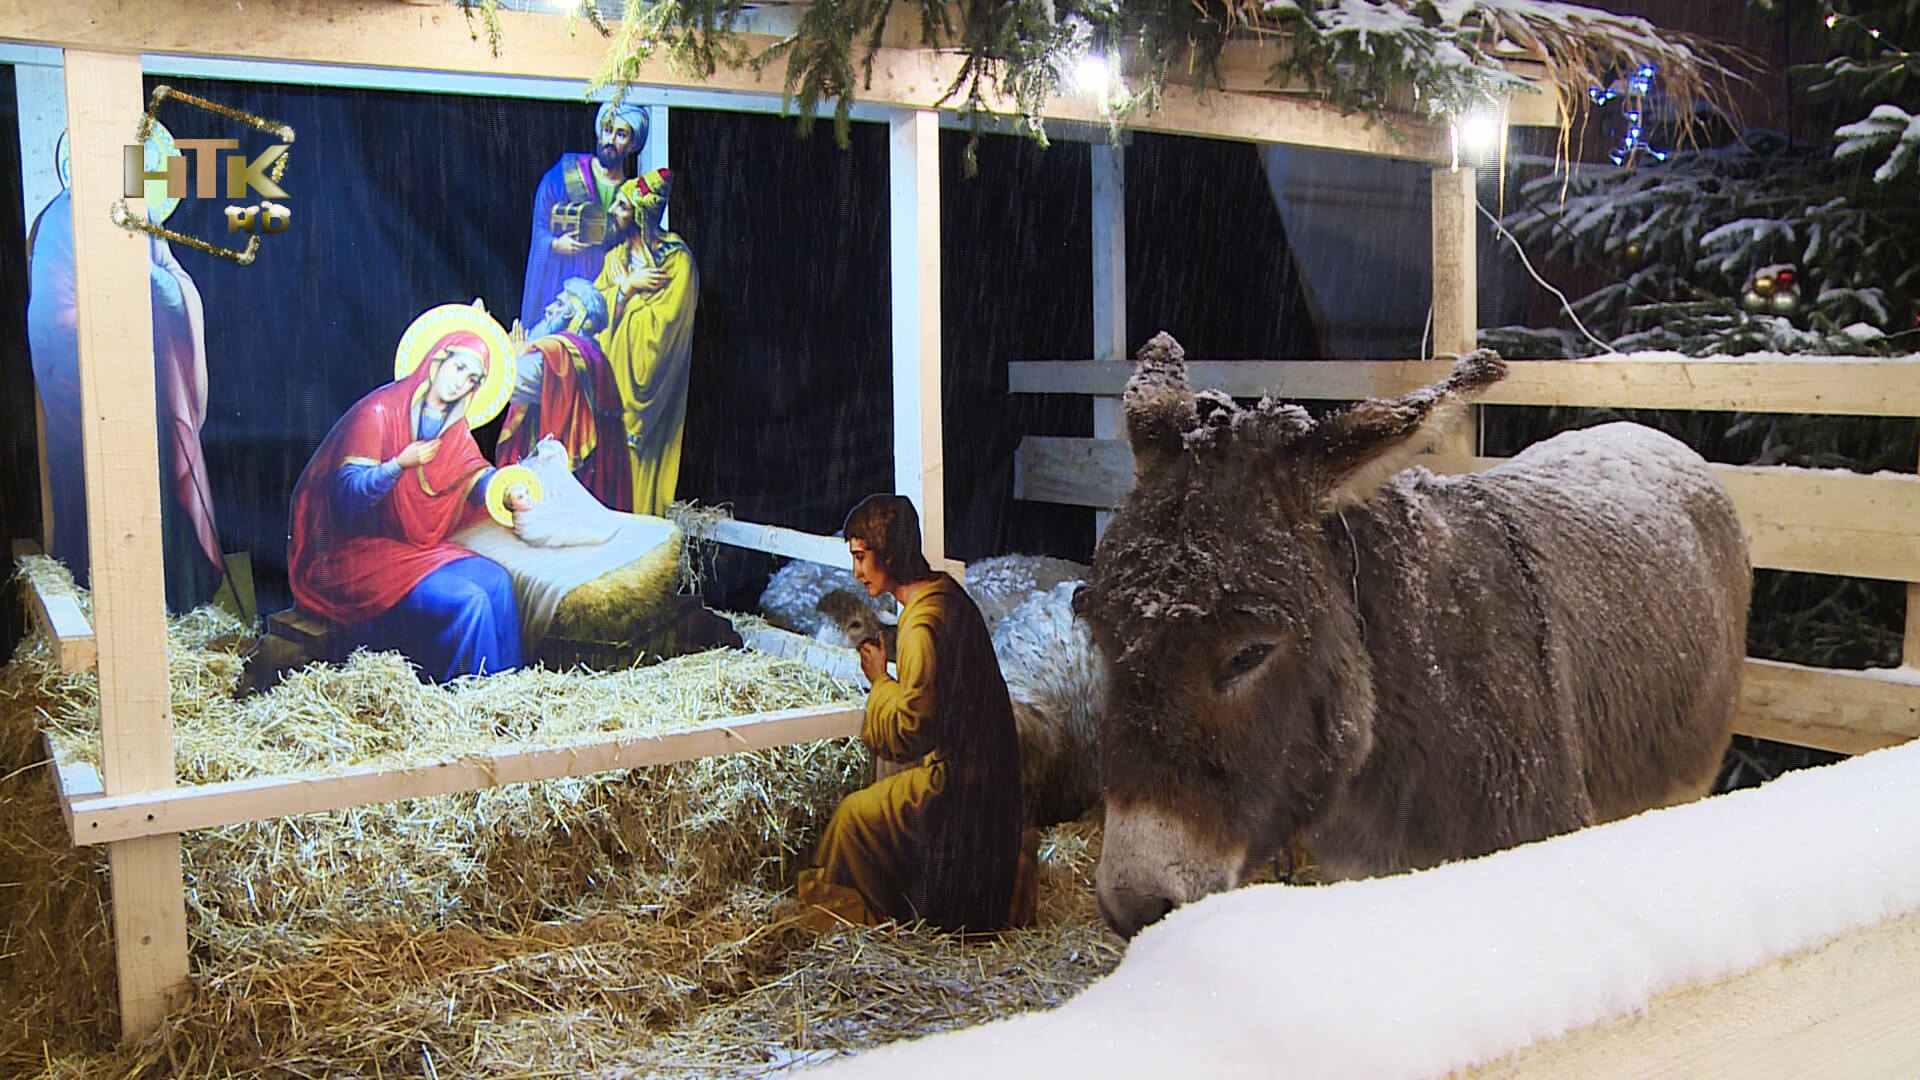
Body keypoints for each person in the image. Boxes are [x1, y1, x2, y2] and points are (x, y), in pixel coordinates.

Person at [796, 495, 1038, 933]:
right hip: (991, 780)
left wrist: (880, 682)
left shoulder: (923, 625)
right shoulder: (944, 596)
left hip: (960, 790)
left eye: (861, 558)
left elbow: (912, 730)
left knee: (853, 819)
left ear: (890, 555)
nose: (857, 573)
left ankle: (849, 919)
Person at [28, 125, 224, 610]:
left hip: (149, 391)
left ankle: (175, 605)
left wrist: (157, 283)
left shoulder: (138, 214)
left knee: (159, 495)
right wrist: (115, 312)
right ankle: (109, 607)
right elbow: (54, 319)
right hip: (92, 401)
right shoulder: (62, 221)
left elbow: (178, 285)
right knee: (99, 505)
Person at [287, 313, 531, 682]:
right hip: (354, 552)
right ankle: (468, 704)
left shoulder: (454, 429)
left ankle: (508, 696)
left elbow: (473, 476)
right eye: (458, 367)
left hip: (413, 550)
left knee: (497, 583)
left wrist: (507, 489)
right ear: (437, 361)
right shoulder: (379, 413)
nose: (460, 382)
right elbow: (346, 497)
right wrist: (398, 464)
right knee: (471, 603)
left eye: (472, 379)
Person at [594, 167, 699, 517]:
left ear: (640, 216)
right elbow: (589, 319)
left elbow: (665, 333)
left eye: (621, 207)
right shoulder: (614, 262)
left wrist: (628, 300)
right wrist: (627, 289)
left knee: (636, 498)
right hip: (605, 398)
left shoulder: (677, 263)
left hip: (645, 404)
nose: (612, 211)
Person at [496, 277, 632, 510]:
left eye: (560, 305)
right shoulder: (594, 355)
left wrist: (503, 352)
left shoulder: (563, 352)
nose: (549, 309)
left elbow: (505, 382)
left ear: (577, 314)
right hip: (593, 482)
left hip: (567, 483)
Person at [520, 101, 649, 334]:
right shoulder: (566, 173)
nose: (610, 140)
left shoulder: (631, 195)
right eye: (608, 130)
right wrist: (555, 244)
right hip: (558, 281)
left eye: (621, 134)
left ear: (632, 143)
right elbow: (540, 224)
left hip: (603, 286)